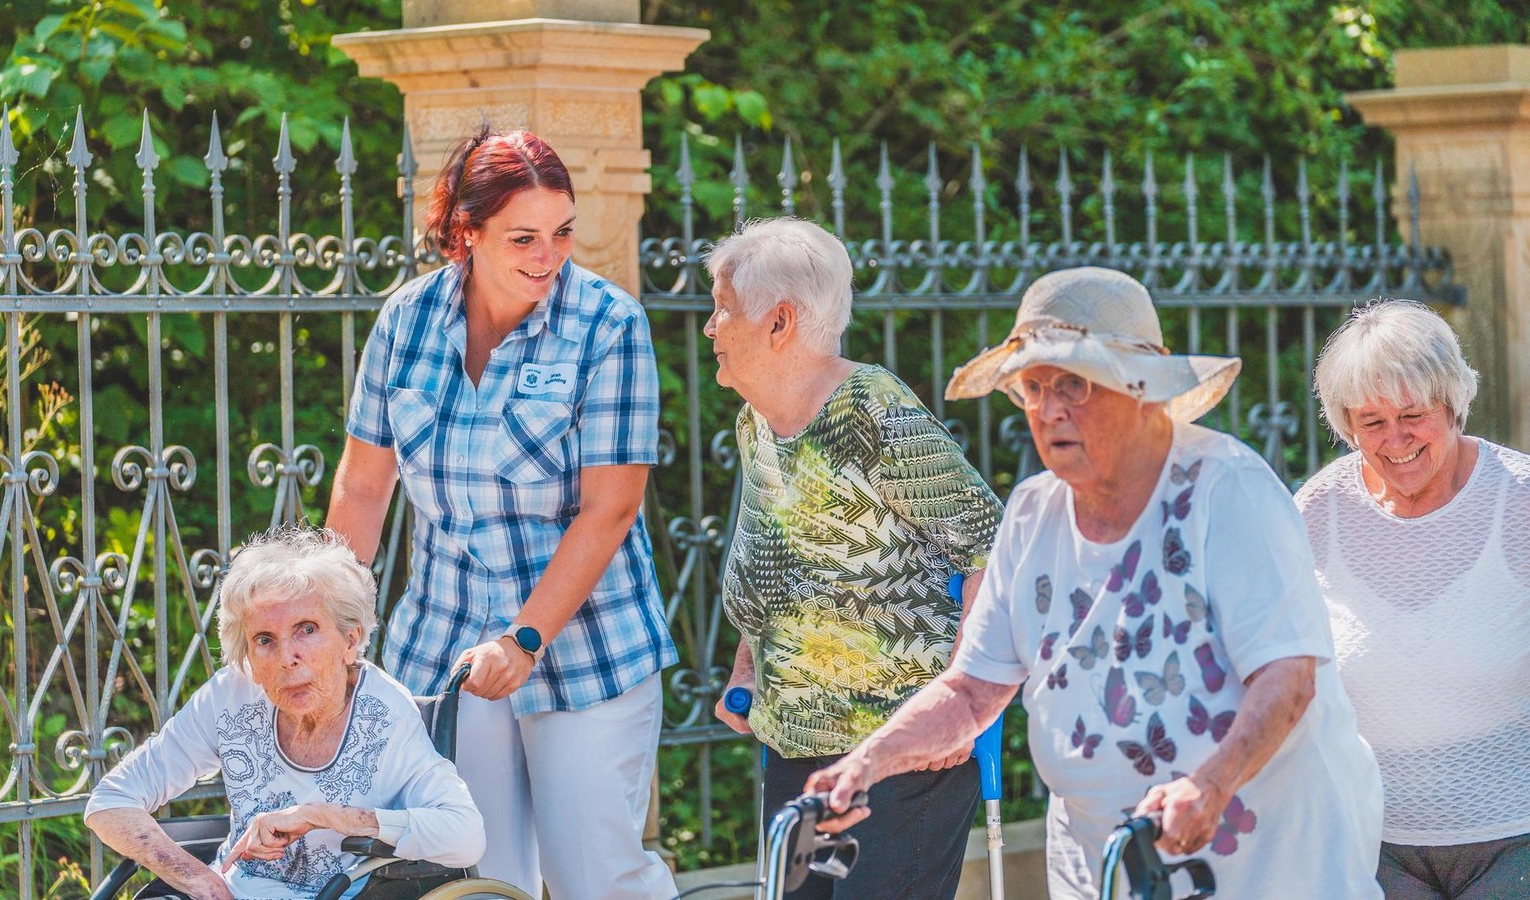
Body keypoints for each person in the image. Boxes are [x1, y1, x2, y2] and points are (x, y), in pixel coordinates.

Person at [804, 267, 1385, 899]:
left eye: (1074, 384)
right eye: (1032, 387)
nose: (1049, 410)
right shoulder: (1032, 513)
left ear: (1141, 388)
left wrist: (1210, 785)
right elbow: (972, 692)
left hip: (1272, 870)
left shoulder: (1227, 489)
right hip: (1103, 868)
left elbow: (1287, 678)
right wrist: (866, 763)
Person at [325, 126, 677, 900]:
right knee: (471, 881)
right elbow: (361, 491)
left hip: (586, 652)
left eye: (562, 233)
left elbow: (610, 510)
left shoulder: (608, 327)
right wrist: (330, 637)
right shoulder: (406, 323)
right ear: (466, 232)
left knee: (598, 878)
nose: (547, 256)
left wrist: (524, 639)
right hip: (445, 653)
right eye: (523, 237)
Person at [704, 218, 1003, 900]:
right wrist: (749, 660)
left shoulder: (871, 410)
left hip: (903, 752)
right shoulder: (757, 422)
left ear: (780, 322)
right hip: (795, 745)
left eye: (722, 308)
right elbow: (777, 563)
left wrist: (962, 699)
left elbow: (993, 547)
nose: (710, 327)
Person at [84, 527, 486, 900]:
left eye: (306, 629)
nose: (287, 659)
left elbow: (465, 835)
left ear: (351, 639)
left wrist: (324, 817)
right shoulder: (232, 695)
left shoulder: (384, 718)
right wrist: (199, 880)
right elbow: (109, 801)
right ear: (248, 655)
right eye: (264, 640)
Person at [1296, 299, 1530, 899]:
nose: (1395, 439)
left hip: (1515, 841)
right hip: (1370, 846)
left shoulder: (1520, 501)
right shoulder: (1316, 513)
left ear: (1452, 404)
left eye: (1412, 414)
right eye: (1370, 422)